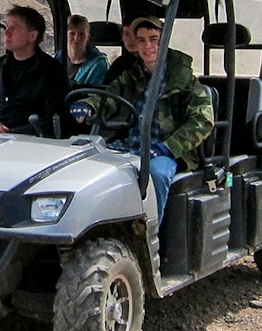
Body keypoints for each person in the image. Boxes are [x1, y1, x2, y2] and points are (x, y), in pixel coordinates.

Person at [71, 16, 214, 218]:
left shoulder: (183, 80)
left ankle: (152, 234)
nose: (148, 46)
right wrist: (88, 105)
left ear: (164, 40)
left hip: (167, 151)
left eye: (153, 39)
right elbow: (111, 97)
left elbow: (202, 121)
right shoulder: (133, 75)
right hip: (132, 143)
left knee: (156, 174)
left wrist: (167, 147)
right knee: (85, 161)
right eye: (141, 40)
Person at [0, 6, 69, 136]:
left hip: (32, 147)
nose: (7, 33)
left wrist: (10, 134)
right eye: (6, 27)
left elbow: (54, 120)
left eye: (14, 29)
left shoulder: (53, 72)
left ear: (32, 35)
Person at [54, 14, 109, 88]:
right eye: (72, 34)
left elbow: (94, 96)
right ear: (65, 35)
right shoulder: (57, 58)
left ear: (88, 37)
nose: (76, 38)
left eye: (82, 34)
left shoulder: (99, 64)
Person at [101, 15, 139, 86]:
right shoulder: (119, 64)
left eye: (135, 34)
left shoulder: (155, 63)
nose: (131, 39)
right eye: (127, 34)